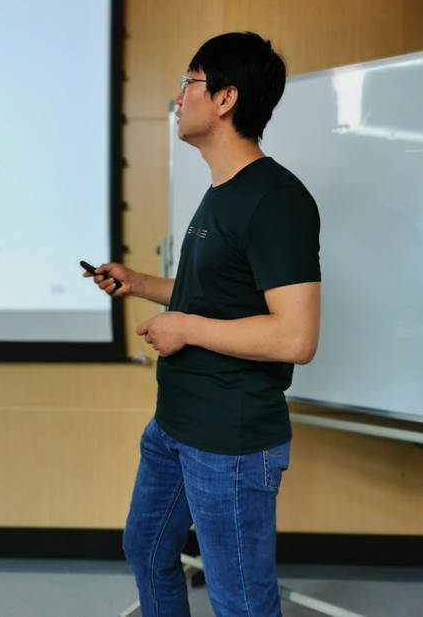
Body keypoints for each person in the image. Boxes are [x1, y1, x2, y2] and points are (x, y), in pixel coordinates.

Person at [83, 32, 321, 617]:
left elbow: (295, 337)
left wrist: (185, 328)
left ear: (224, 98)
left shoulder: (276, 200)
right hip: (176, 423)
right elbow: (217, 298)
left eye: (189, 82)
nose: (178, 96)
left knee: (240, 601)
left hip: (231, 440)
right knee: (146, 550)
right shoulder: (220, 192)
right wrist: (139, 282)